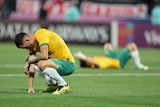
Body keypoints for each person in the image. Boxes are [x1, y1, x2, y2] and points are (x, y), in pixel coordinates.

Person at [14, 28, 76, 95]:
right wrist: (30, 87)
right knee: (34, 64)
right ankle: (52, 85)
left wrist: (29, 61)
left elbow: (44, 56)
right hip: (55, 64)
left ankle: (64, 85)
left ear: (27, 40)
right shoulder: (31, 45)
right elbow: (31, 65)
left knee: (41, 63)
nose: (27, 49)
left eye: (26, 47)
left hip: (67, 64)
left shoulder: (41, 34)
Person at [74, 42, 149, 70]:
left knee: (107, 45)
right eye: (86, 58)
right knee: (132, 45)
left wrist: (81, 57)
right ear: (89, 63)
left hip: (110, 57)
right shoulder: (95, 64)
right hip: (117, 61)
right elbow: (91, 62)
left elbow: (87, 60)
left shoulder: (92, 60)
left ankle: (133, 56)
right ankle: (138, 65)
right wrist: (82, 57)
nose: (88, 57)